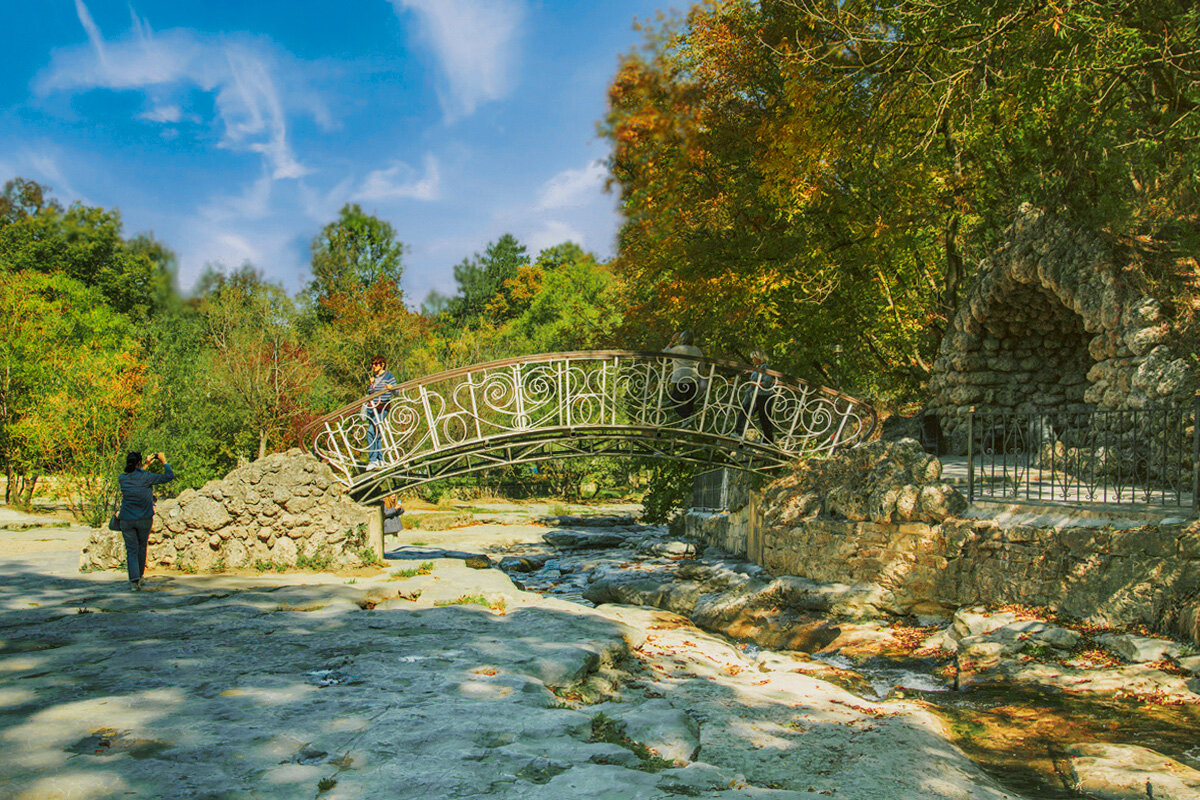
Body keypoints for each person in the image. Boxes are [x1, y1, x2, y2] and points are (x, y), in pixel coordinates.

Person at [116, 451, 175, 591]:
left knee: (131, 550)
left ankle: (134, 581)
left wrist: (146, 465)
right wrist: (163, 460)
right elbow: (169, 476)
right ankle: (140, 577)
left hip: (126, 519)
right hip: (144, 518)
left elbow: (135, 476)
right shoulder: (146, 477)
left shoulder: (122, 478)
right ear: (139, 463)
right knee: (142, 547)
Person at [364, 355, 398, 470]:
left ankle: (373, 460)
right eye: (372, 364)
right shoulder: (374, 378)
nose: (373, 366)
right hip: (372, 409)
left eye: (376, 364)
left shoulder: (389, 376)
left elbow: (397, 392)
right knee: (376, 433)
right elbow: (370, 394)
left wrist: (391, 388)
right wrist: (371, 384)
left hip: (382, 407)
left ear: (382, 364)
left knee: (370, 432)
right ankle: (380, 459)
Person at [738, 349, 778, 444]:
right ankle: (739, 431)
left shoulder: (765, 367)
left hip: (763, 396)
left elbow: (767, 382)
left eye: (754, 358)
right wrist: (750, 371)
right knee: (746, 410)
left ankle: (768, 439)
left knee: (763, 416)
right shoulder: (759, 367)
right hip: (755, 395)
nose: (753, 360)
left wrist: (756, 383)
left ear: (759, 358)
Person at [665, 330, 704, 419]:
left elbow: (664, 353)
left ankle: (686, 418)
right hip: (693, 378)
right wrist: (702, 375)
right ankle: (688, 419)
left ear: (682, 338)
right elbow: (702, 363)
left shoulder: (679, 348)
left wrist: (672, 341)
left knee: (675, 399)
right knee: (689, 402)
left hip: (680, 378)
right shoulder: (696, 349)